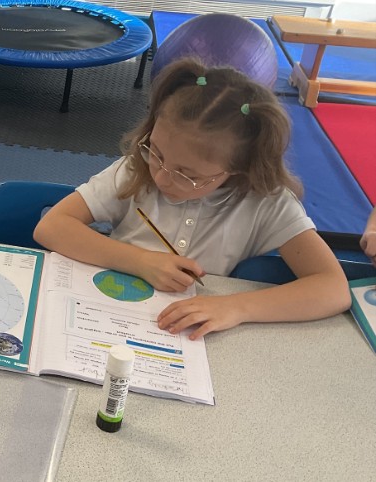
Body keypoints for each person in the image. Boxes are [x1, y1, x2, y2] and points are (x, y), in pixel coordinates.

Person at [34, 58, 350, 340]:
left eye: (187, 174)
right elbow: (52, 227)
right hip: (103, 314)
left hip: (186, 337)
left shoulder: (266, 202)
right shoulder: (136, 168)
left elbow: (333, 288)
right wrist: (140, 261)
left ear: (238, 168)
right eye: (156, 152)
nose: (161, 177)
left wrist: (236, 307)